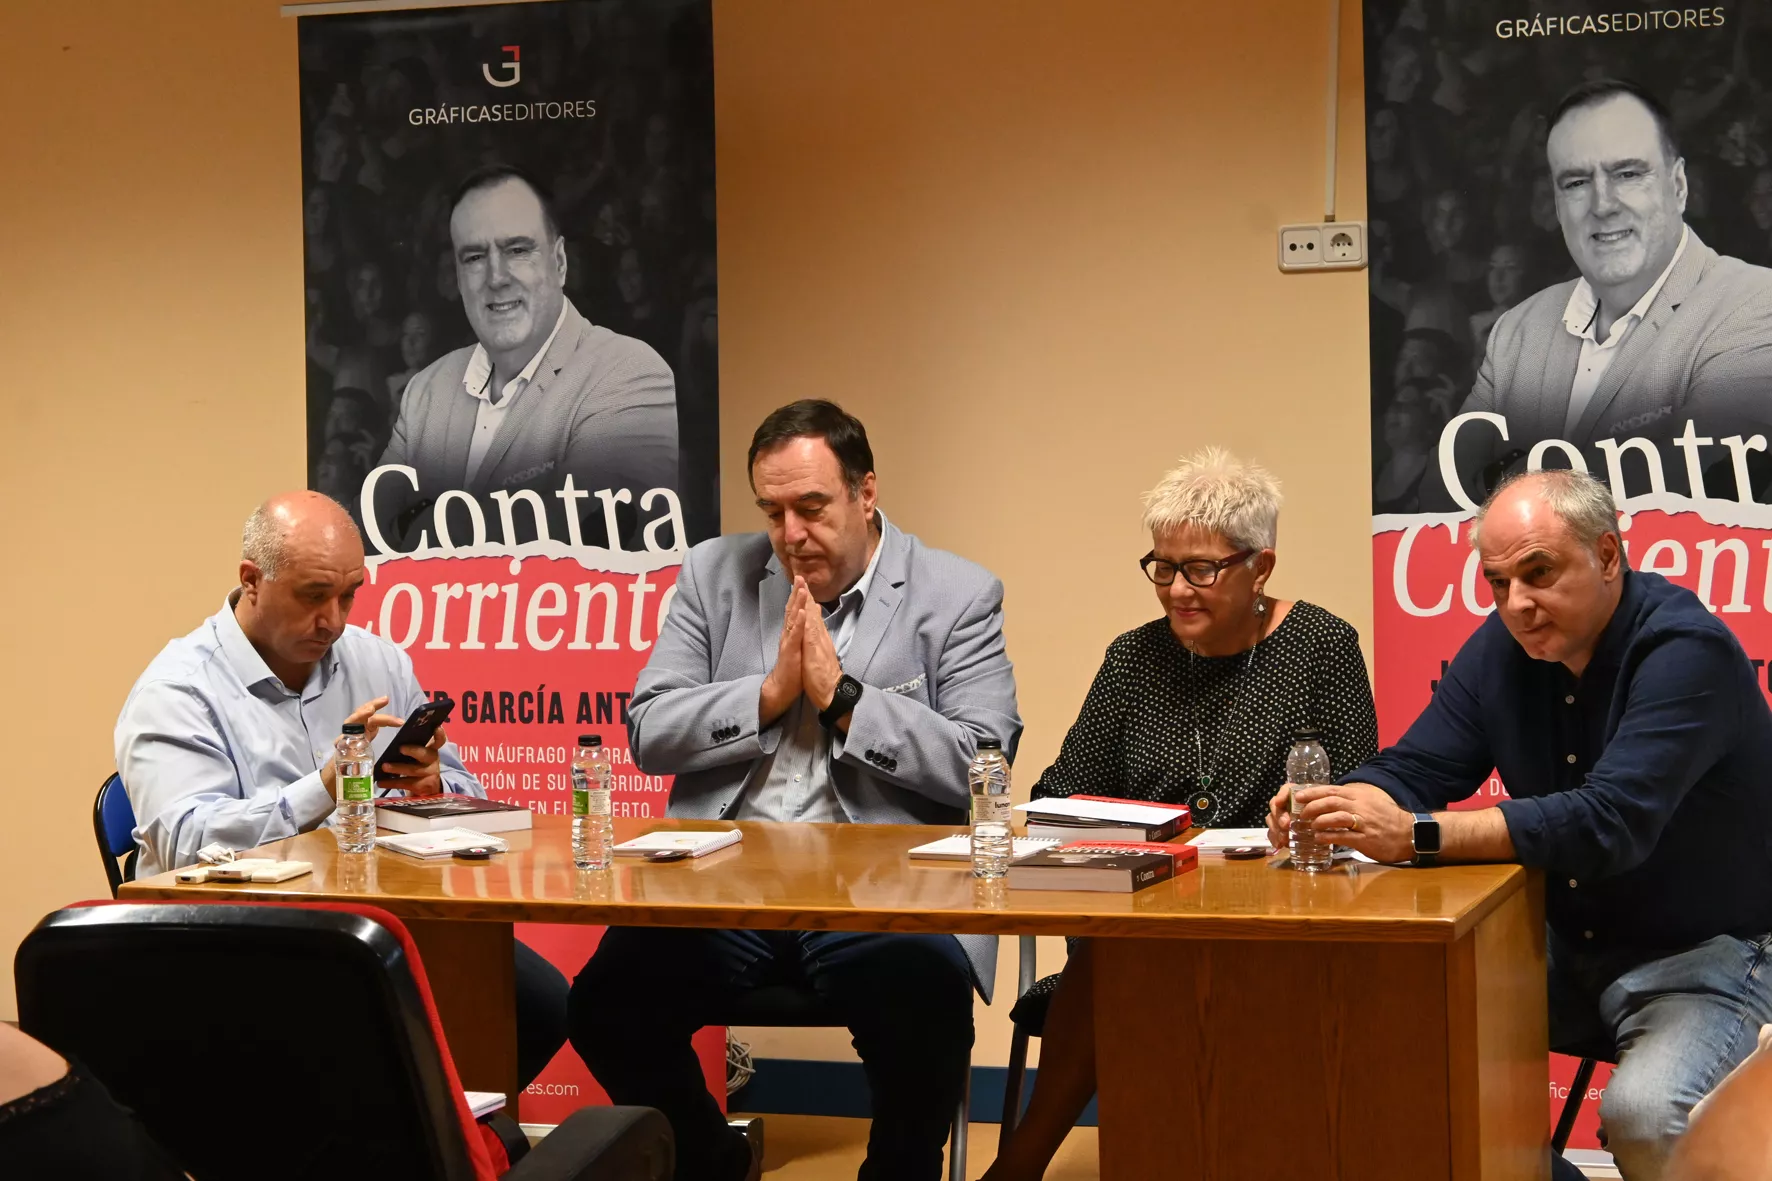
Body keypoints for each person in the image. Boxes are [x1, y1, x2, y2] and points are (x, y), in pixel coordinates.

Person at [568, 400, 1022, 1181]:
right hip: (726, 881)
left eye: (811, 508)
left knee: (927, 1011)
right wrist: (768, 695)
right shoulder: (714, 574)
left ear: (865, 492)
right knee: (606, 1003)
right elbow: (649, 728)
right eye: (772, 511)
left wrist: (845, 701)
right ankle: (714, 1159)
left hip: (884, 888)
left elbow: (985, 760)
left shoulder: (956, 594)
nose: (790, 534)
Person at [1275, 469, 1772, 1181]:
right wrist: (1340, 802)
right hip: (1566, 943)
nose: (1518, 604)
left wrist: (1415, 834)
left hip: (1708, 950)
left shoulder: (1686, 651)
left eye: (1539, 573)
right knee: (1380, 1040)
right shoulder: (1502, 650)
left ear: (1607, 555)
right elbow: (1416, 766)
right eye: (1497, 581)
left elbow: (1610, 821)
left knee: (1645, 1115)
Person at [983, 448, 1377, 1181]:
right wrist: (1134, 829)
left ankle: (1016, 1168)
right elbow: (1059, 789)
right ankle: (1021, 1167)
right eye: (1162, 566)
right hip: (1144, 921)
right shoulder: (1133, 658)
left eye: (1201, 568)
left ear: (1260, 566)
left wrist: (1303, 821)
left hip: (1279, 930)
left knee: (1118, 967)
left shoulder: (1322, 647)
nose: (1176, 589)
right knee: (1118, 959)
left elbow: (1358, 798)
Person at [114, 491, 570, 1092]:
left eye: (350, 594)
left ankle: (433, 1143)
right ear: (251, 580)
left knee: (542, 1005)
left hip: (379, 919)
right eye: (313, 596)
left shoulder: (377, 662)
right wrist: (327, 785)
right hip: (241, 941)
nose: (334, 619)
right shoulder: (177, 691)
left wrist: (433, 782)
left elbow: (465, 787)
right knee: (369, 1035)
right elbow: (185, 844)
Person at [1440, 79, 1772, 508]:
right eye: (1576, 182)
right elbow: (1442, 493)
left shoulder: (1754, 303)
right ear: (1557, 205)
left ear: (1679, 186)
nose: (1603, 204)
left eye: (1628, 174)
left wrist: (1507, 479)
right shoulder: (1516, 334)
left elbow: (1682, 487)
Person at [373, 164, 680, 551]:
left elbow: (602, 542)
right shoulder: (426, 393)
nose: (496, 277)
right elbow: (369, 537)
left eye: (517, 250)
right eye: (474, 257)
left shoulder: (628, 372)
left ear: (561, 262)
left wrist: (419, 524)